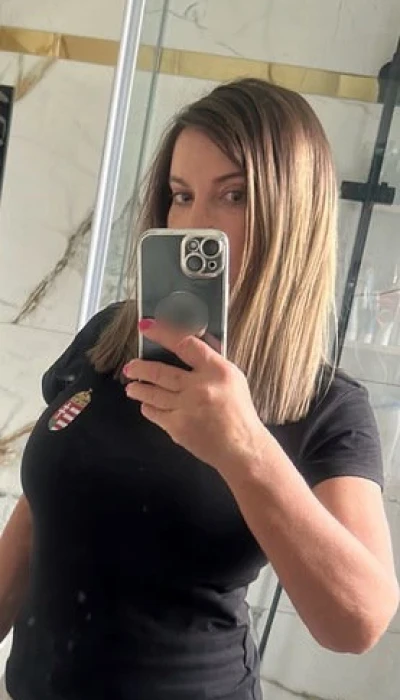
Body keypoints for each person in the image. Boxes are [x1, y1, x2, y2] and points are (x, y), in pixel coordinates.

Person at [0, 78, 399, 700]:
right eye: (181, 195)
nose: (194, 224)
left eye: (233, 195)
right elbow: (38, 513)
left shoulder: (320, 403)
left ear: (292, 215)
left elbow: (358, 622)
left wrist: (245, 449)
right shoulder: (109, 338)